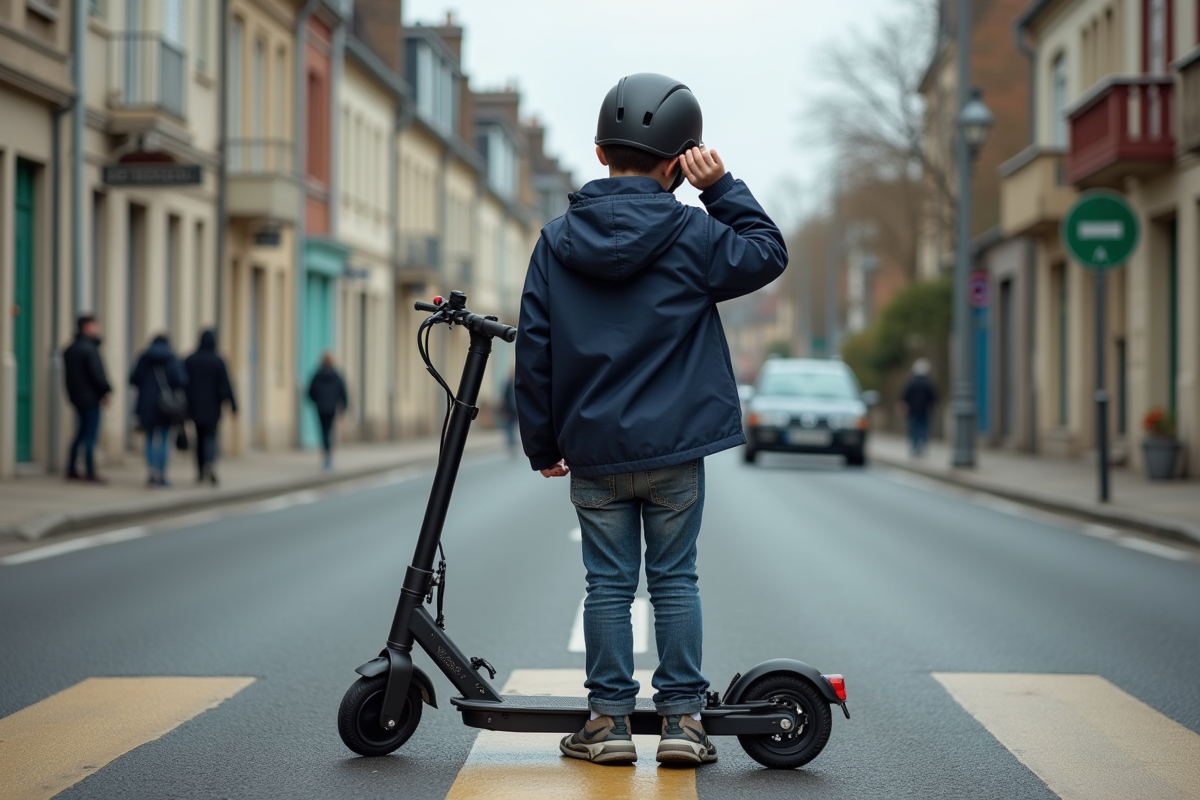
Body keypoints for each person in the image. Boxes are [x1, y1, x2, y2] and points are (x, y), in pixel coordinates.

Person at [515, 73, 788, 767]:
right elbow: (766, 253)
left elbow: (536, 353)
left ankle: (606, 726)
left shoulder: (555, 241)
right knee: (674, 580)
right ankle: (683, 725)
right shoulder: (696, 234)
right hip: (673, 451)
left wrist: (542, 442)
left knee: (607, 584)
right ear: (679, 161)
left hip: (596, 449)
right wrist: (719, 187)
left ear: (601, 153)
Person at [129, 334, 188, 486]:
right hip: (166, 407)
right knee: (164, 439)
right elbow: (181, 380)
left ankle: (152, 473)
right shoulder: (172, 358)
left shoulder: (144, 357)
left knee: (149, 439)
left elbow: (134, 379)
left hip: (146, 405)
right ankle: (161, 474)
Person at [62, 314, 113, 483]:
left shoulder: (71, 349)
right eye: (95, 326)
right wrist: (106, 391)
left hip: (77, 397)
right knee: (90, 435)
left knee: (80, 433)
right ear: (86, 327)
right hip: (91, 398)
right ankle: (90, 471)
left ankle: (71, 468)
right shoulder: (89, 349)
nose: (98, 329)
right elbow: (97, 374)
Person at [184, 329, 238, 485]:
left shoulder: (190, 360)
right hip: (213, 408)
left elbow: (183, 385)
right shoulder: (218, 361)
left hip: (195, 407)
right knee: (211, 437)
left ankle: (200, 470)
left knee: (199, 438)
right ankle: (210, 463)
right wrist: (233, 407)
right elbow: (227, 385)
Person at [307, 352, 348, 471]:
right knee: (330, 430)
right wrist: (343, 407)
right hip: (331, 408)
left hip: (320, 408)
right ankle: (329, 456)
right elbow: (343, 392)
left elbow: (310, 392)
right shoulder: (336, 375)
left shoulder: (317, 375)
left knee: (323, 431)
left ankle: (325, 454)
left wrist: (317, 401)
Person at [901, 358, 938, 456]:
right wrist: (933, 407)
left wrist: (903, 406)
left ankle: (914, 446)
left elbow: (905, 396)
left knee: (913, 428)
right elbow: (934, 397)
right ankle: (922, 445)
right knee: (923, 428)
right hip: (924, 410)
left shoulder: (911, 382)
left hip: (913, 410)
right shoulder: (928, 383)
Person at [500, 371, 518, 457]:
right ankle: (512, 444)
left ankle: (513, 444)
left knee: (512, 428)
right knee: (510, 428)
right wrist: (505, 410)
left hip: (514, 410)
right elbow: (505, 398)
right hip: (510, 410)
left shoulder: (515, 384)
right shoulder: (509, 384)